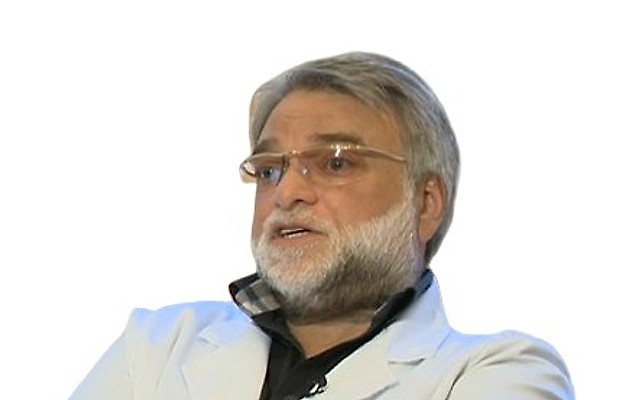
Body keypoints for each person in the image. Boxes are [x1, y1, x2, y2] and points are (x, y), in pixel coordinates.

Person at [70, 51, 574, 400]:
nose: (287, 191)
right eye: (270, 169)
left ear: (425, 204)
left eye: (335, 162)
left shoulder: (502, 372)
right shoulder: (157, 346)